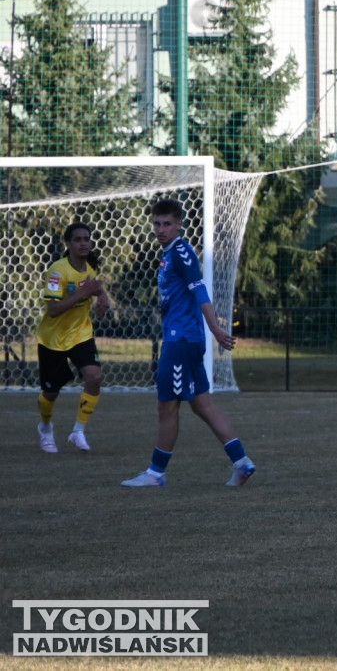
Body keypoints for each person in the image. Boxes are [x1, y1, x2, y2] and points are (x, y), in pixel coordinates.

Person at [121, 199, 256, 488]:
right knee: (203, 405)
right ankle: (242, 462)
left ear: (179, 224)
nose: (161, 229)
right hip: (186, 339)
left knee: (167, 407)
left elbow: (199, 290)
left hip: (180, 340)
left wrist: (216, 329)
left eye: (167, 224)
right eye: (157, 224)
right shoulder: (171, 252)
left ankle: (156, 474)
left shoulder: (181, 253)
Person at [35, 222, 109, 453]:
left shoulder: (90, 267)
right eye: (77, 239)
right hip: (53, 339)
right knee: (51, 391)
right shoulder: (58, 271)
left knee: (94, 377)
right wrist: (84, 292)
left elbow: (95, 287)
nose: (83, 243)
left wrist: (103, 297)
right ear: (68, 244)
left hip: (81, 334)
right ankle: (45, 427)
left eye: (86, 238)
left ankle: (78, 431)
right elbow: (54, 310)